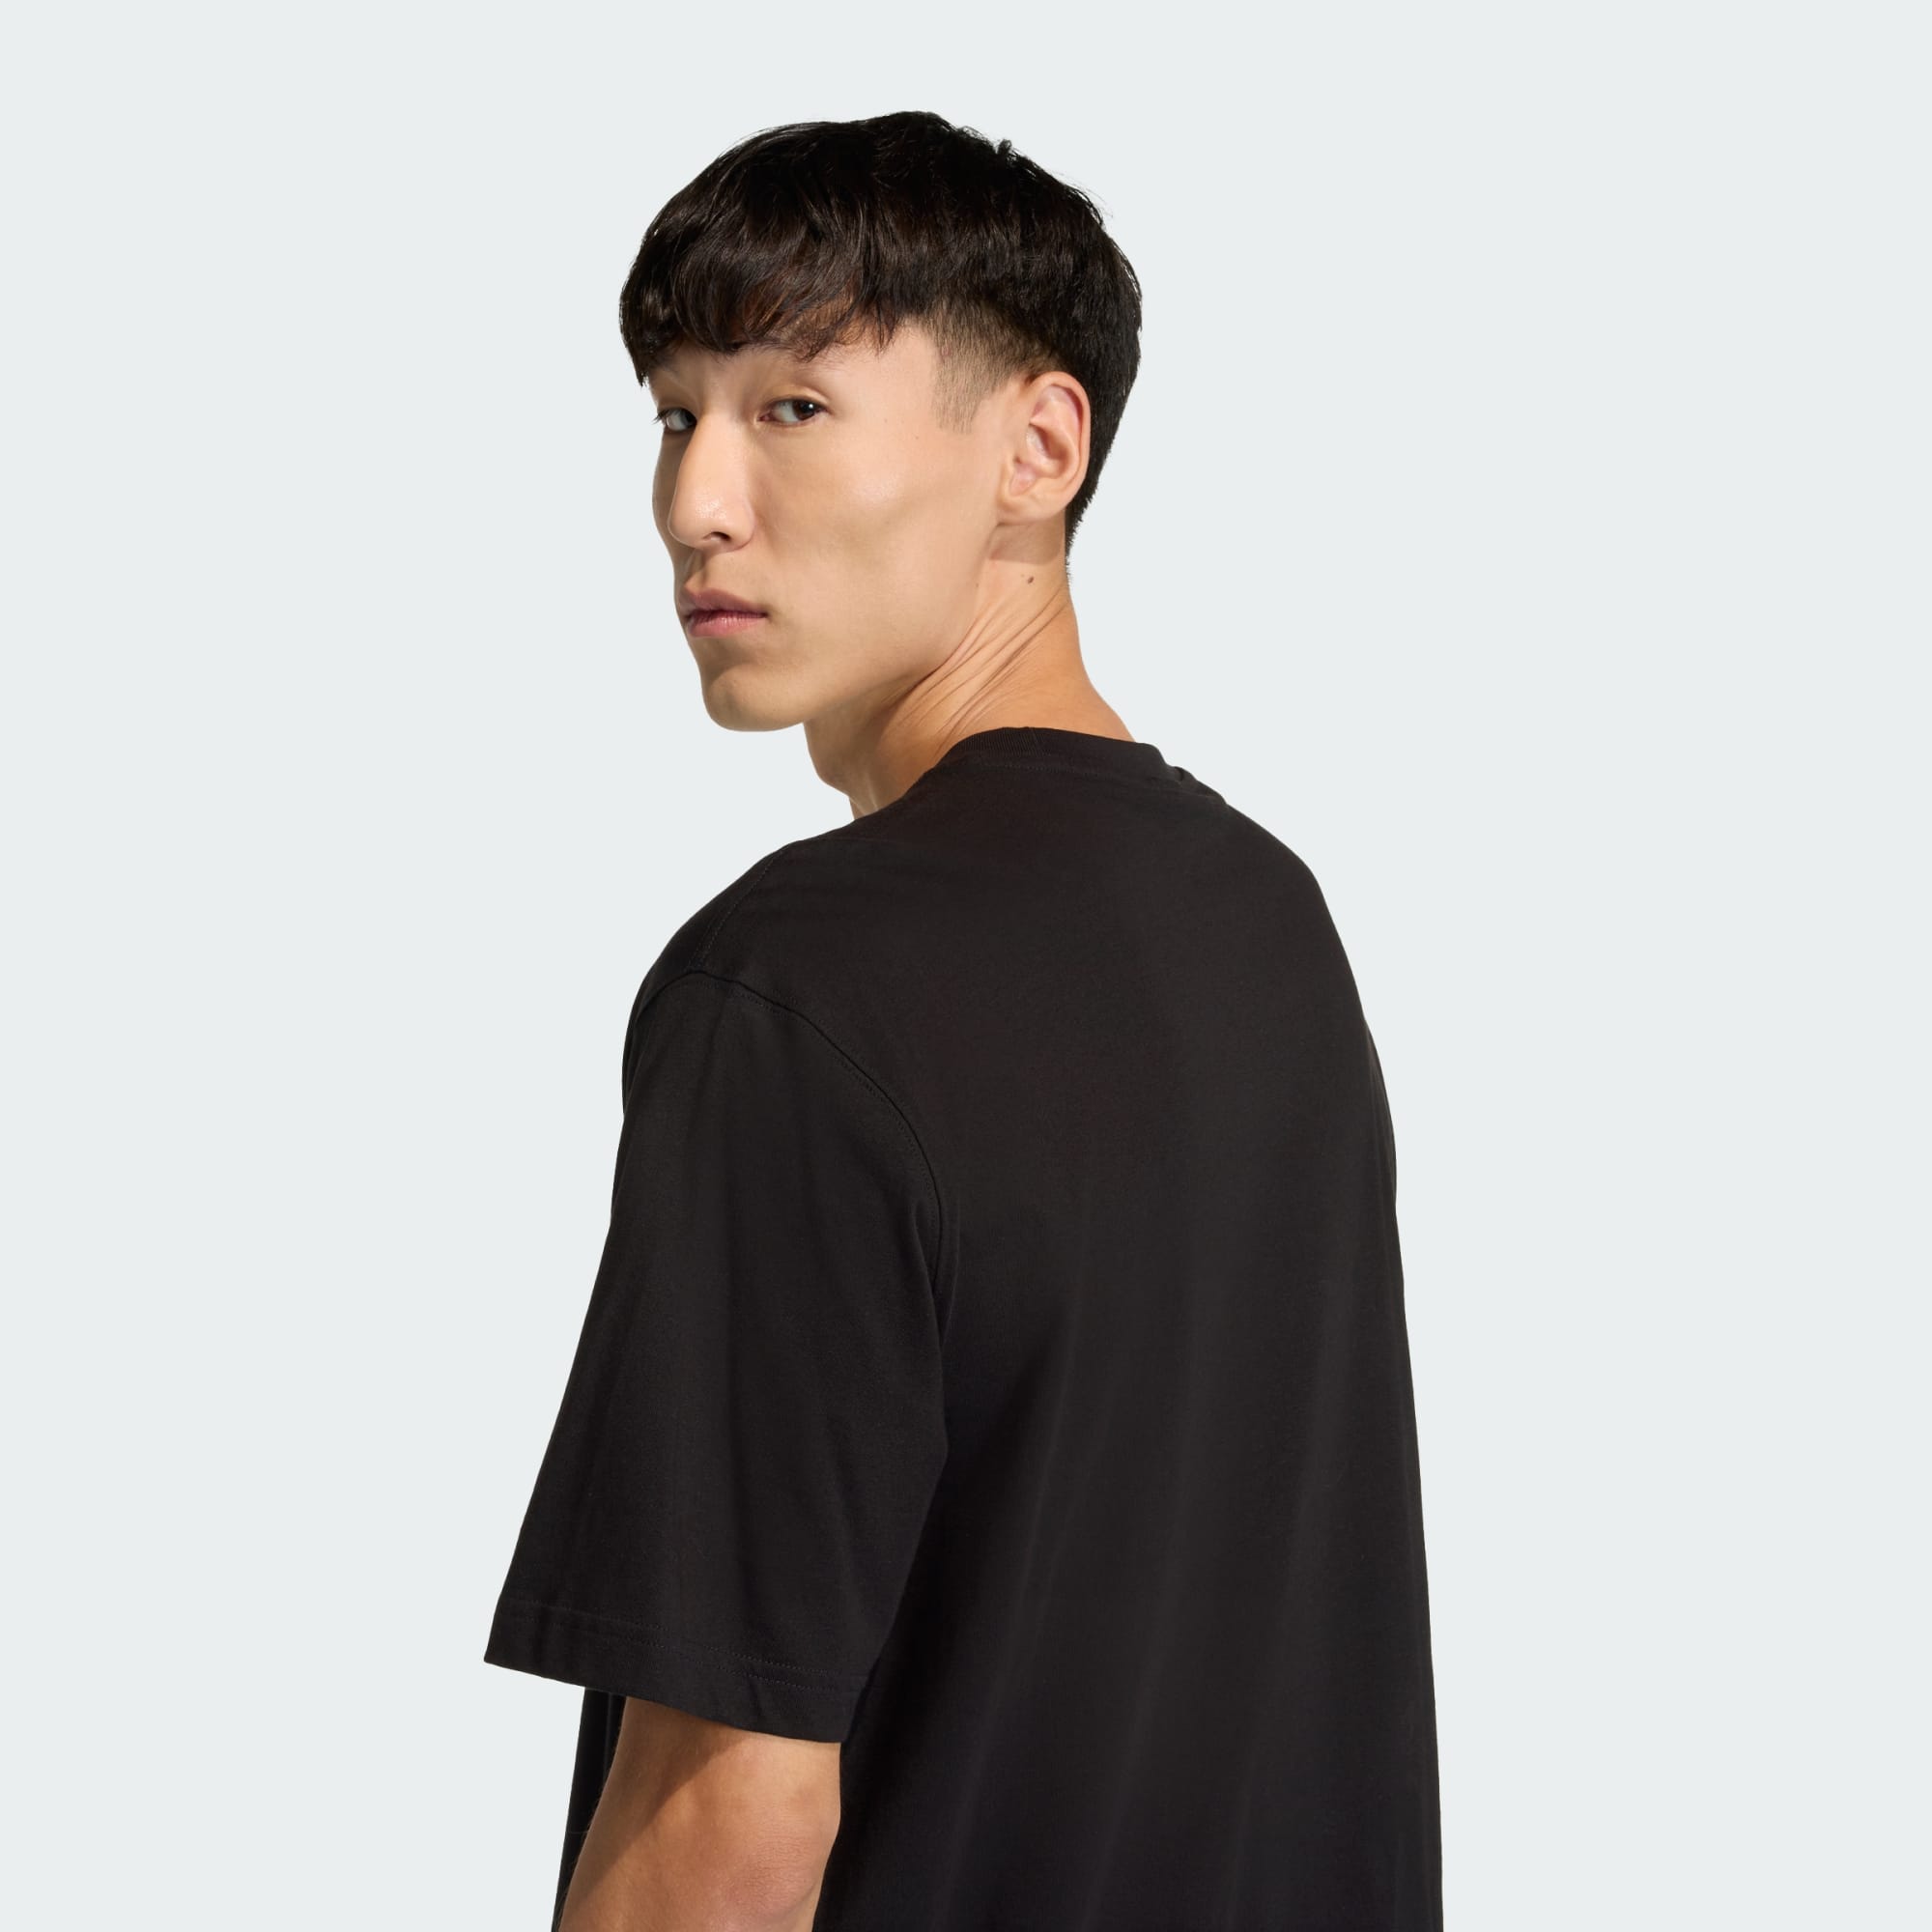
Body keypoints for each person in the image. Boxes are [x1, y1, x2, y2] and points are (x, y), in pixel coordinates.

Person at [483, 108, 1443, 1931]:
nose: (697, 500)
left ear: (1037, 448)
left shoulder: (796, 990)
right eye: (675, 413)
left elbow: (731, 1824)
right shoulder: (1269, 922)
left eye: (792, 406)